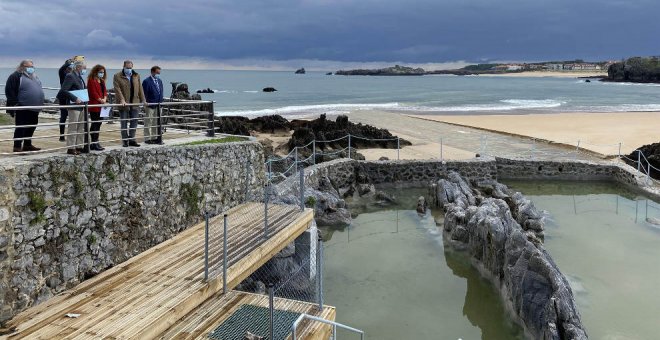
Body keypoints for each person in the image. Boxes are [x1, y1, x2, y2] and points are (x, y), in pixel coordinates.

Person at [4, 59, 45, 152]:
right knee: (21, 127)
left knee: (32, 126)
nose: (31, 68)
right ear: (22, 66)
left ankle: (27, 144)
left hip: (35, 108)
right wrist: (15, 104)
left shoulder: (34, 76)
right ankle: (17, 146)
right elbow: (9, 90)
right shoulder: (16, 76)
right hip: (23, 107)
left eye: (32, 66)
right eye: (28, 66)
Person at [113, 60, 146, 147]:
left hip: (135, 102)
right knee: (124, 122)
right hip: (124, 104)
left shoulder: (136, 75)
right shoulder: (117, 76)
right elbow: (117, 90)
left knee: (134, 121)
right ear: (123, 67)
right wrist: (122, 100)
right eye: (127, 68)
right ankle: (125, 140)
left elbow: (140, 89)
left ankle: (132, 139)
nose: (129, 69)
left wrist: (143, 100)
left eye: (131, 68)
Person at [58, 60, 88, 155]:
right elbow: (63, 90)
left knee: (81, 127)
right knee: (73, 127)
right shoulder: (70, 76)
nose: (85, 70)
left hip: (82, 105)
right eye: (84, 68)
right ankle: (71, 148)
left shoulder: (79, 77)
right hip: (74, 105)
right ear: (78, 67)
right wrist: (75, 98)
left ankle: (79, 146)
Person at [87, 64, 108, 151]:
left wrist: (105, 99)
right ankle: (94, 142)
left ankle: (96, 141)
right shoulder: (91, 80)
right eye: (100, 72)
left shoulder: (102, 81)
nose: (102, 74)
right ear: (95, 72)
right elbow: (93, 92)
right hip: (94, 105)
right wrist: (100, 100)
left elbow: (105, 92)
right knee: (95, 123)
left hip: (101, 106)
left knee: (99, 123)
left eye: (103, 72)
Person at [142, 66, 164, 144]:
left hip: (158, 104)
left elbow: (161, 91)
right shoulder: (146, 81)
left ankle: (155, 137)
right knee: (149, 121)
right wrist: (145, 103)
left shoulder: (160, 81)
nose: (158, 74)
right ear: (152, 72)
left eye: (159, 73)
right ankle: (147, 138)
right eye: (157, 73)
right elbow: (144, 93)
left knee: (156, 122)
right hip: (150, 104)